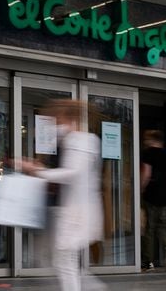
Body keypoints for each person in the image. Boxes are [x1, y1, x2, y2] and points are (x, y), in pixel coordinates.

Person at [21, 99, 105, 291]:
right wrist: (36, 167)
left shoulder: (81, 140)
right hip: (69, 210)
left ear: (67, 118)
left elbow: (72, 173)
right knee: (63, 261)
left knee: (65, 262)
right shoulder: (71, 138)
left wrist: (38, 172)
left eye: (56, 118)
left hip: (76, 212)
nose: (53, 123)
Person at [140, 130, 166, 272]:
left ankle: (148, 262)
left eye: (147, 139)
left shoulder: (148, 153)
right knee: (164, 227)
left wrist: (141, 188)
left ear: (153, 139)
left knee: (150, 229)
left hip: (152, 196)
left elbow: (147, 173)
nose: (145, 142)